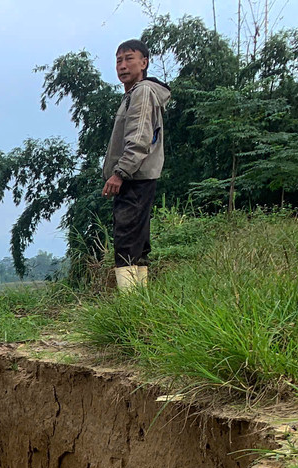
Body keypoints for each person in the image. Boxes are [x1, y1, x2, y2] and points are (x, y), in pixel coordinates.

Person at [101, 39, 171, 292]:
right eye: (118, 60)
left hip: (134, 177)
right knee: (137, 242)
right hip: (138, 177)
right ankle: (140, 302)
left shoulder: (142, 92)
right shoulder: (133, 94)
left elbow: (140, 137)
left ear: (144, 63)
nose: (122, 65)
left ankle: (129, 304)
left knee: (127, 241)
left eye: (129, 58)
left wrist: (120, 173)